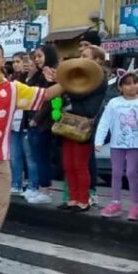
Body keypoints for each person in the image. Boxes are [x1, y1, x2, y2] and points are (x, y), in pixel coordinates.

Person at [0, 42, 63, 265]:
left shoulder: (14, 89)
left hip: (0, 156)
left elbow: (43, 96)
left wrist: (64, 81)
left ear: (2, 60)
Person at [94, 66, 138, 220]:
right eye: (128, 83)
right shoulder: (114, 103)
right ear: (120, 87)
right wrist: (99, 141)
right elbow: (105, 122)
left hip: (136, 144)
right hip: (117, 144)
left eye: (135, 82)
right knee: (116, 173)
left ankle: (135, 205)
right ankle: (115, 202)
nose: (133, 86)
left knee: (131, 172)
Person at [57, 48, 107, 212]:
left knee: (79, 164)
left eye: (85, 56)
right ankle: (72, 198)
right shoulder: (80, 78)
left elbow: (80, 98)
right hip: (69, 124)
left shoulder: (99, 78)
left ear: (98, 60)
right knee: (68, 164)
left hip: (83, 126)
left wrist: (66, 86)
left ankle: (83, 200)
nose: (81, 59)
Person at [24, 45, 60, 204]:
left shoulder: (52, 74)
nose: (37, 59)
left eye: (40, 56)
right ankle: (38, 188)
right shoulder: (38, 74)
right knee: (36, 158)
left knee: (42, 157)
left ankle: (45, 191)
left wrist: (36, 119)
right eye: (35, 57)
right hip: (32, 122)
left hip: (43, 124)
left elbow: (50, 100)